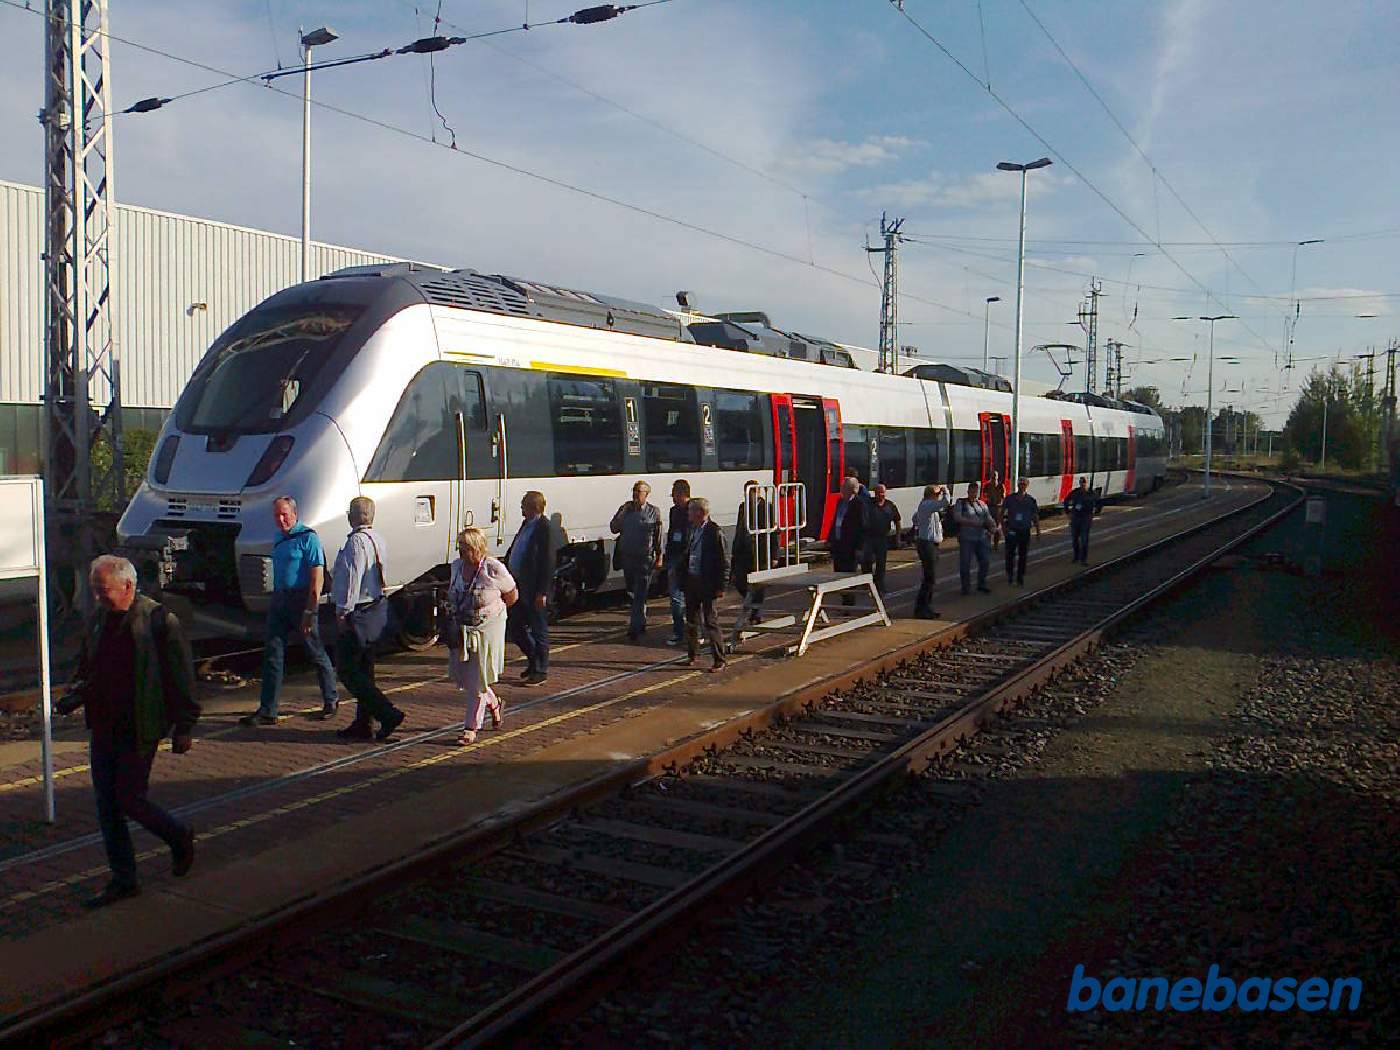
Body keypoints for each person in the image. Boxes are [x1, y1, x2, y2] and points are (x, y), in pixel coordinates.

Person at [62, 556, 199, 908]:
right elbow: (88, 666)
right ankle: (124, 879)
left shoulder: (158, 621)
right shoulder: (98, 620)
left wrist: (184, 726)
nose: (98, 597)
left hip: (140, 724)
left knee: (130, 798)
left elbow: (181, 675)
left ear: (127, 586)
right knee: (107, 806)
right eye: (95, 590)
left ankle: (178, 835)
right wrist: (76, 694)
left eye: (103, 590)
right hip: (104, 724)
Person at [240, 496, 339, 726]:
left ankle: (331, 699)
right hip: (279, 599)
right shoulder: (278, 537)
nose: (281, 519)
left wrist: (310, 611)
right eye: (277, 515)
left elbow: (317, 578)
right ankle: (268, 710)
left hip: (301, 600)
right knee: (273, 653)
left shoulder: (308, 538)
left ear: (295, 514)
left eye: (284, 515)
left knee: (315, 651)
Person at [331, 496, 405, 741]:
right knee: (365, 668)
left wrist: (343, 611)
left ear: (350, 516)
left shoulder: (356, 542)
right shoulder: (377, 539)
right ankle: (364, 723)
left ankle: (387, 713)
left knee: (347, 670)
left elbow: (353, 578)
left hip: (359, 612)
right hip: (374, 609)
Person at [446, 527, 518, 744]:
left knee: (477, 679)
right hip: (463, 629)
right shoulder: (456, 567)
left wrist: (491, 614)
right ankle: (494, 704)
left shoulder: (493, 568)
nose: (461, 551)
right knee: (469, 679)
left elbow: (512, 595)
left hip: (487, 630)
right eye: (460, 546)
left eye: (466, 547)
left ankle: (471, 727)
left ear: (477, 548)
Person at [504, 490, 552, 686]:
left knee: (538, 629)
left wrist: (542, 592)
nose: (521, 508)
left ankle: (541, 670)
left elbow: (547, 562)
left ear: (534, 507)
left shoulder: (544, 528)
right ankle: (533, 660)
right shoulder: (526, 525)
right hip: (518, 584)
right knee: (515, 627)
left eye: (523, 505)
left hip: (533, 588)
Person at [679, 497, 729, 672]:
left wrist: (721, 586)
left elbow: (723, 561)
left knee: (710, 621)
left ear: (700, 512)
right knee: (691, 620)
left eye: (691, 510)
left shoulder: (714, 532)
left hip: (707, 582)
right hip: (691, 579)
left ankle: (719, 659)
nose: (688, 514)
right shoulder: (691, 530)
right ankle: (693, 654)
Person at [610, 480, 663, 642]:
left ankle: (634, 627)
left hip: (644, 558)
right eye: (634, 491)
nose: (635, 495)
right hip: (627, 556)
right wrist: (621, 514)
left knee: (640, 592)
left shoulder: (653, 512)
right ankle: (641, 621)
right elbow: (613, 528)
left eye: (639, 492)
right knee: (633, 592)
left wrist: (660, 555)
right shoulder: (625, 509)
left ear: (646, 494)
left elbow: (659, 535)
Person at [732, 481, 772, 624]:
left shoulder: (766, 507)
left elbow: (773, 532)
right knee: (739, 581)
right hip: (744, 550)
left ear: (758, 492)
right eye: (747, 492)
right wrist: (735, 549)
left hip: (761, 551)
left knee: (759, 583)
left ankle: (756, 613)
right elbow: (739, 528)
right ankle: (751, 601)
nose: (749, 495)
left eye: (753, 492)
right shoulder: (743, 507)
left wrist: (774, 555)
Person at [911, 483, 950, 618]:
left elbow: (915, 518)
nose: (939, 496)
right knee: (929, 578)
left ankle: (926, 607)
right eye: (937, 494)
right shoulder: (927, 504)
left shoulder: (926, 506)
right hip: (927, 544)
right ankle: (921, 608)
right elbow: (946, 502)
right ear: (931, 495)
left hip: (930, 544)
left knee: (930, 578)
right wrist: (945, 490)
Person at [953, 481, 997, 595]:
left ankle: (981, 584)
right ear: (968, 491)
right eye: (972, 491)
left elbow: (988, 517)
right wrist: (974, 523)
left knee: (985, 561)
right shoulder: (961, 503)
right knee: (965, 564)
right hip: (967, 538)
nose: (974, 494)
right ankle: (965, 587)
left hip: (981, 537)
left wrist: (993, 526)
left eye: (976, 491)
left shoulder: (981, 504)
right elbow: (957, 517)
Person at [663, 480, 692, 646]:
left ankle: (696, 631)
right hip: (675, 558)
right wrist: (668, 558)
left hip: (690, 559)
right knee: (675, 598)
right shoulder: (674, 511)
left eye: (674, 495)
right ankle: (678, 632)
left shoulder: (694, 509)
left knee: (692, 598)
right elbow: (671, 533)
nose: (673, 499)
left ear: (682, 494)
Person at [829, 477, 867, 605]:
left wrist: (859, 547)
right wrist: (830, 538)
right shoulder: (840, 502)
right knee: (838, 574)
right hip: (839, 544)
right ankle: (844, 600)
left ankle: (849, 604)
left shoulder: (859, 504)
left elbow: (862, 527)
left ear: (851, 490)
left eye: (843, 487)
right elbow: (836, 521)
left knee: (849, 575)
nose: (841, 489)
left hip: (851, 546)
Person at [1002, 476, 1042, 586]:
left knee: (1023, 555)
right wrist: (1003, 527)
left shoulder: (1031, 500)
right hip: (1012, 530)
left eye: (1024, 484)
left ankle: (1020, 577)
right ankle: (1010, 575)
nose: (1022, 486)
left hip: (1024, 531)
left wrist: (1038, 530)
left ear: (1027, 486)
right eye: (1020, 484)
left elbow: (1035, 516)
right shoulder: (1010, 499)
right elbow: (1001, 513)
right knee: (1010, 554)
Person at [862, 484, 901, 595]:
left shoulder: (890, 505)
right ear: (875, 493)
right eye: (878, 493)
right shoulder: (868, 504)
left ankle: (880, 586)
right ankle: (868, 584)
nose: (881, 495)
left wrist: (898, 537)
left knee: (881, 563)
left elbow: (897, 520)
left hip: (882, 538)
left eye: (882, 492)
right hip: (869, 537)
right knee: (867, 561)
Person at [1064, 476, 1098, 565]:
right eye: (1081, 482)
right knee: (1075, 539)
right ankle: (1076, 557)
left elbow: (1098, 502)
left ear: (1087, 483)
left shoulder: (1091, 493)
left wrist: (1094, 513)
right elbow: (1066, 500)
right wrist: (1068, 512)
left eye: (1084, 482)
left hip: (1085, 518)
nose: (1083, 484)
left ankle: (1083, 559)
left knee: (1084, 539)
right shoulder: (1075, 492)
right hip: (1076, 518)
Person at [984, 470, 1006, 549]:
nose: (993, 478)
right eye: (992, 477)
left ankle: (995, 544)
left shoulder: (1000, 486)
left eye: (995, 477)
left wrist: (1000, 500)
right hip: (989, 507)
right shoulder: (987, 486)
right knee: (988, 526)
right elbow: (985, 495)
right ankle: (988, 543)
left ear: (997, 477)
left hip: (997, 508)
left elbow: (1003, 496)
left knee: (997, 527)